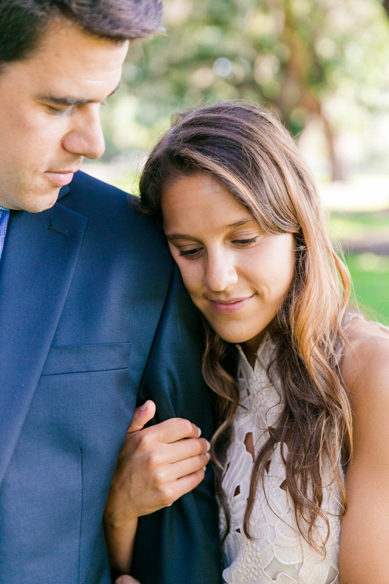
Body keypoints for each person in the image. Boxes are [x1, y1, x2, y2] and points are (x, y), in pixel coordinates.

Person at [108, 101, 389, 583]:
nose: (218, 279)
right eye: (190, 250)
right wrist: (121, 508)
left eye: (243, 240)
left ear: (297, 230)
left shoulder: (370, 372)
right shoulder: (197, 373)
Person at [0, 2, 221, 583]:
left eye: (101, 102)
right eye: (58, 105)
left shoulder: (135, 249)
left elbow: (185, 501)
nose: (92, 142)